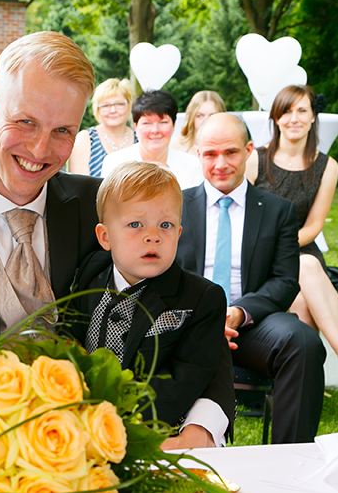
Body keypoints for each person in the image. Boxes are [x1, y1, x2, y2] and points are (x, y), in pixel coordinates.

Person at [0, 31, 214, 450]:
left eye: (62, 130)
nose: (40, 149)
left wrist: (201, 428)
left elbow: (187, 304)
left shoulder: (102, 205)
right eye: (25, 122)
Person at [178, 113, 327, 444]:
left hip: (250, 325)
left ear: (248, 151)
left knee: (302, 342)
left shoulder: (278, 211)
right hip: (187, 323)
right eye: (210, 154)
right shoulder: (176, 206)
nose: (221, 163)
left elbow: (285, 281)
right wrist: (205, 316)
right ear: (198, 154)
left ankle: (290, 456)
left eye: (230, 152)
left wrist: (238, 312)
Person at [72, 162, 234, 445]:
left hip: (157, 433)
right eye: (136, 224)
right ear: (105, 237)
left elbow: (186, 377)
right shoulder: (87, 277)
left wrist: (119, 423)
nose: (153, 235)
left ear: (179, 234)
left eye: (166, 225)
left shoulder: (200, 297)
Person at [247, 85, 338, 393]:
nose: (293, 118)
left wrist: (283, 248)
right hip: (258, 251)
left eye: (302, 111)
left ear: (313, 117)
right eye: (286, 111)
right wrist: (271, 249)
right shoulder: (255, 160)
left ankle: (296, 386)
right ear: (275, 118)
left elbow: (314, 225)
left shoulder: (327, 166)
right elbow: (244, 216)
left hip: (299, 247)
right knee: (304, 273)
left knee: (304, 280)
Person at [101, 90, 203, 188]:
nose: (155, 130)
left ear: (174, 125)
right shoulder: (114, 163)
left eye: (163, 122)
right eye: (147, 123)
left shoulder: (192, 165)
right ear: (136, 126)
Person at [68, 78, 136, 177]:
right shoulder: (86, 139)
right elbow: (79, 186)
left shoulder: (140, 137)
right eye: (106, 106)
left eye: (119, 104)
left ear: (129, 105)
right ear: (97, 109)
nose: (113, 110)